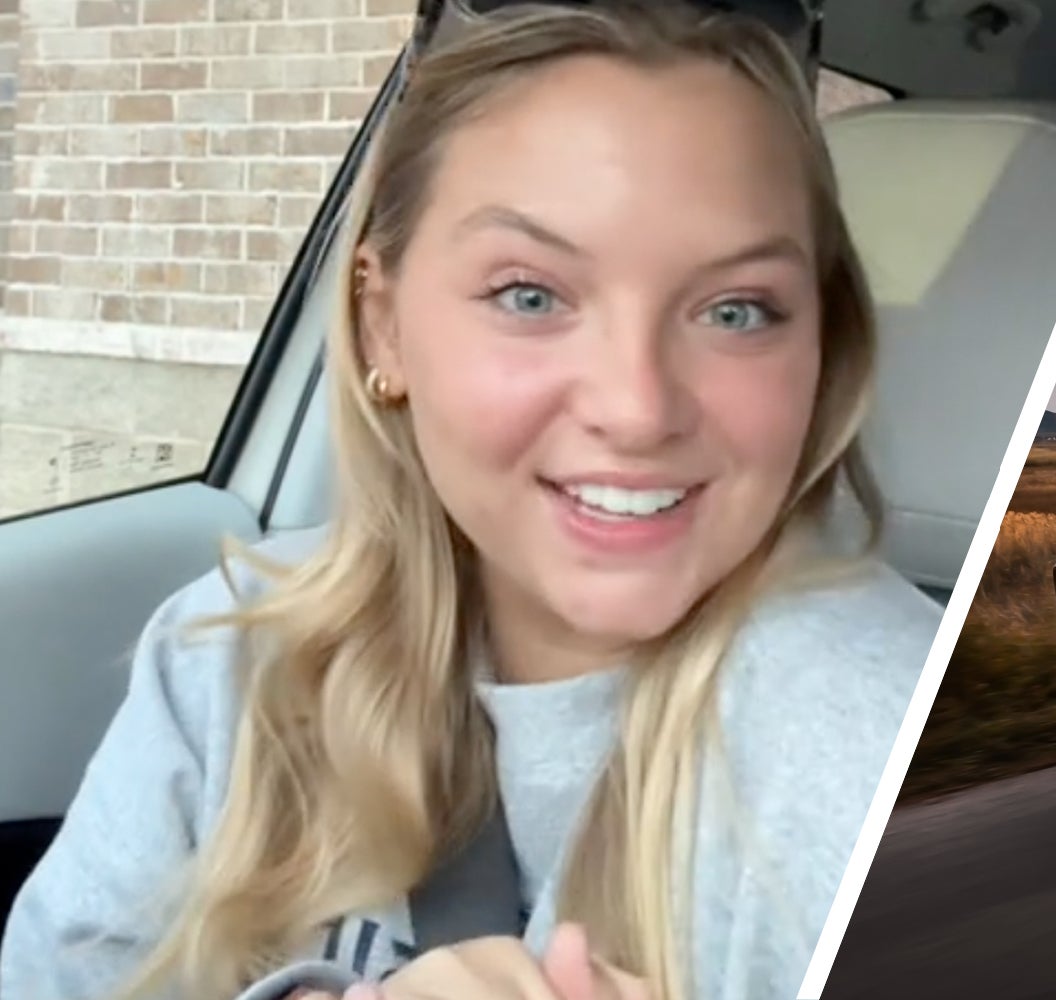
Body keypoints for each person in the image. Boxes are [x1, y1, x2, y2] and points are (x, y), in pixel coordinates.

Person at [0, 1, 941, 997]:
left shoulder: (876, 751)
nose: (637, 408)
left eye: (736, 310)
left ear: (821, 344)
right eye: (529, 296)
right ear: (383, 324)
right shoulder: (232, 653)